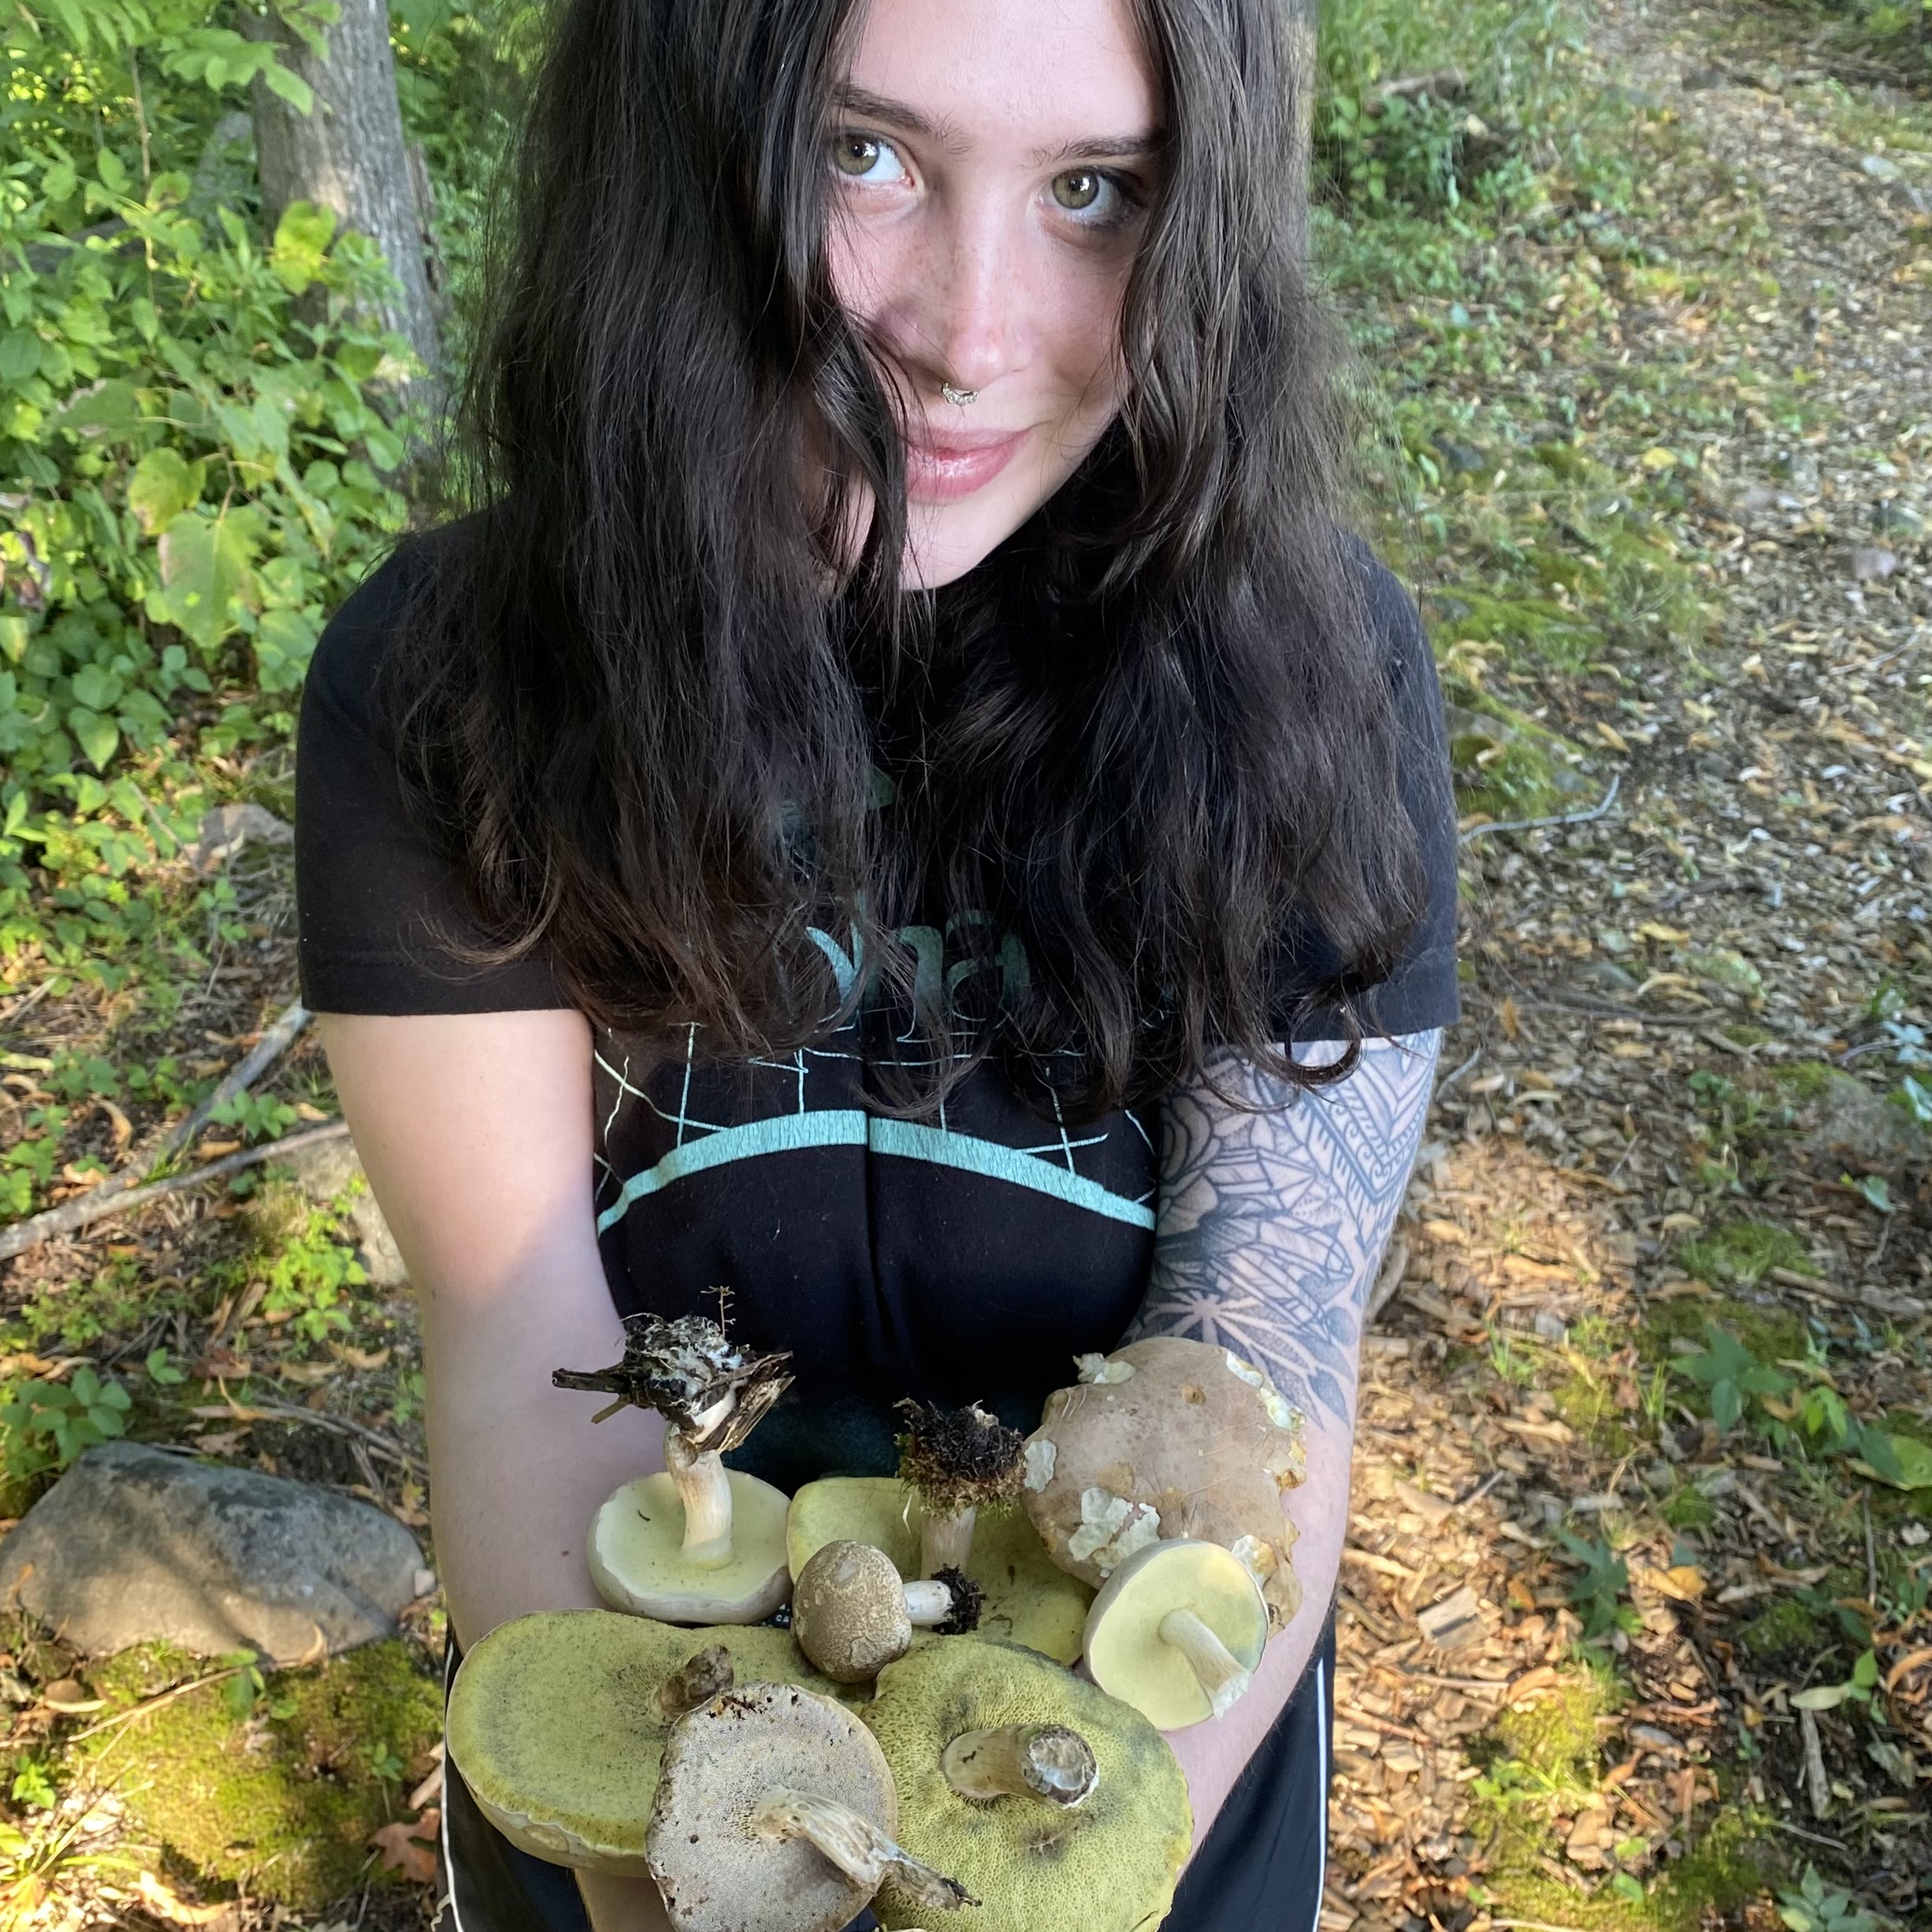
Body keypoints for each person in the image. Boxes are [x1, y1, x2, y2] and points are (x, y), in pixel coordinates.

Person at [295, 0, 1458, 1921]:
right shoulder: (451, 684)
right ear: (673, 151)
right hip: (624, 1774)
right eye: (864, 156)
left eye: (1095, 192)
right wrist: (687, 1892)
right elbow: (519, 1343)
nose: (966, 334)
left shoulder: (1312, 676)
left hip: (1137, 1801)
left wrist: (1044, 1889)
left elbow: (1258, 1352)